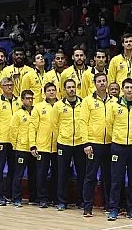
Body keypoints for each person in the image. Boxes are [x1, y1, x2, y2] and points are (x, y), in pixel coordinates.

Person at [81, 72, 116, 216]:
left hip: (110, 143)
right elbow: (83, 122)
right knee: (90, 177)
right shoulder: (88, 101)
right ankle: (87, 207)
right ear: (95, 84)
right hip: (93, 144)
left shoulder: (115, 101)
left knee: (108, 176)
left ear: (107, 83)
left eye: (104, 81)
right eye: (99, 81)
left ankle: (108, 205)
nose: (102, 83)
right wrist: (86, 143)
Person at [106, 78, 132, 221]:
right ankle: (114, 209)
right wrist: (117, 138)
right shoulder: (114, 105)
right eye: (126, 87)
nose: (129, 90)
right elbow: (109, 125)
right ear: (122, 89)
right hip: (118, 146)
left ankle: (131, 209)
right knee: (116, 179)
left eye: (131, 87)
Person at [53, 78, 86, 211]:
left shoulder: (83, 104)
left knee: (82, 173)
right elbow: (54, 125)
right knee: (62, 173)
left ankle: (81, 200)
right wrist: (61, 137)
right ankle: (62, 201)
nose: (71, 89)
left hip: (79, 143)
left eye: (73, 87)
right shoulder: (58, 105)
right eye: (69, 87)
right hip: (64, 143)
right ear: (64, 90)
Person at [0, 77, 22, 206]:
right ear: (1, 87)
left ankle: (10, 194)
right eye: (6, 85)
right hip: (1, 141)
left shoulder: (18, 101)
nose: (9, 87)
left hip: (15, 142)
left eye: (11, 84)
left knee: (14, 169)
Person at [30, 82, 59, 208]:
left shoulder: (61, 105)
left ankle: (55, 198)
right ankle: (42, 198)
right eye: (49, 90)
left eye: (53, 90)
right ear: (44, 93)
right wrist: (33, 145)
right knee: (41, 174)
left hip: (58, 146)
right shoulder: (38, 107)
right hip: (42, 146)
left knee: (57, 174)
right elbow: (32, 127)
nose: (51, 92)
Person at [9, 89, 37, 207]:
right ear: (22, 100)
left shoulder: (36, 112)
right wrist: (15, 146)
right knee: (19, 174)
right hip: (21, 148)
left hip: (34, 149)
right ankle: (16, 198)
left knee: (33, 174)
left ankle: (33, 197)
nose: (30, 100)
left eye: (31, 98)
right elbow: (13, 131)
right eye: (27, 98)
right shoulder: (18, 114)